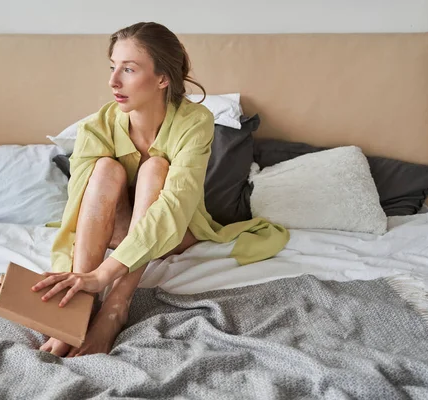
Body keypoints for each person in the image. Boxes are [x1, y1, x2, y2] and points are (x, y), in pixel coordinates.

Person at [31, 22, 290, 357]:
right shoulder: (96, 127)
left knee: (156, 167)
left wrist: (105, 275)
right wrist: (82, 280)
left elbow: (173, 207)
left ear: (162, 78)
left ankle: (116, 307)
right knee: (106, 168)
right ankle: (77, 306)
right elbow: (78, 209)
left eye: (128, 69)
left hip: (171, 235)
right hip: (115, 231)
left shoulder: (195, 122)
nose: (113, 82)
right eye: (113, 68)